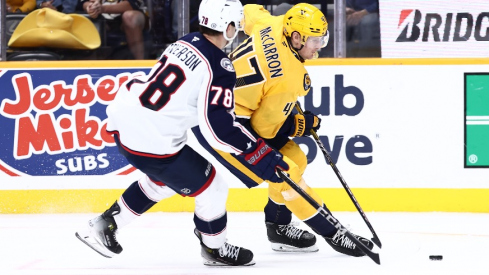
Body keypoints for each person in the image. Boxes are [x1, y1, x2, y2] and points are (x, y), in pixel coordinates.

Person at [75, 0, 289, 267]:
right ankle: (215, 248)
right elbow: (218, 129)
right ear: (228, 26)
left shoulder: (186, 40)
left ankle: (106, 223)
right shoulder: (220, 64)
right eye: (238, 24)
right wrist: (257, 150)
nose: (240, 29)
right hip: (152, 138)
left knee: (164, 180)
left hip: (126, 120)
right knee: (212, 186)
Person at [192, 3, 374, 257]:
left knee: (297, 158)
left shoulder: (273, 23)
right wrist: (298, 124)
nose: (319, 46)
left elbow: (248, 12)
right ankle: (334, 232)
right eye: (315, 40)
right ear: (296, 37)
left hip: (221, 103)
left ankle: (278, 226)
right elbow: (264, 130)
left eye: (323, 38)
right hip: (222, 124)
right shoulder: (288, 78)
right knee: (287, 169)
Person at [80, 0, 147, 59]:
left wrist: (102, 9)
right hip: (101, 18)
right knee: (86, 21)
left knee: (130, 16)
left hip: (128, 16)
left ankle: (141, 64)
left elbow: (132, 4)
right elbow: (82, 2)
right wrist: (89, 7)